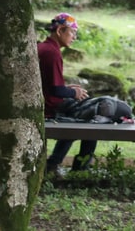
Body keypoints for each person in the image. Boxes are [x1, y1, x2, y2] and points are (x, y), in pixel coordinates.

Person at [37, 12, 95, 175]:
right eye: (72, 32)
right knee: (91, 117)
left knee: (78, 116)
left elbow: (50, 85)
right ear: (60, 30)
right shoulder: (52, 52)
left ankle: (54, 163)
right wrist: (72, 92)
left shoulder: (44, 47)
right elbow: (55, 91)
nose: (74, 37)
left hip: (45, 100)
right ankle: (79, 168)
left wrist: (69, 88)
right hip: (50, 106)